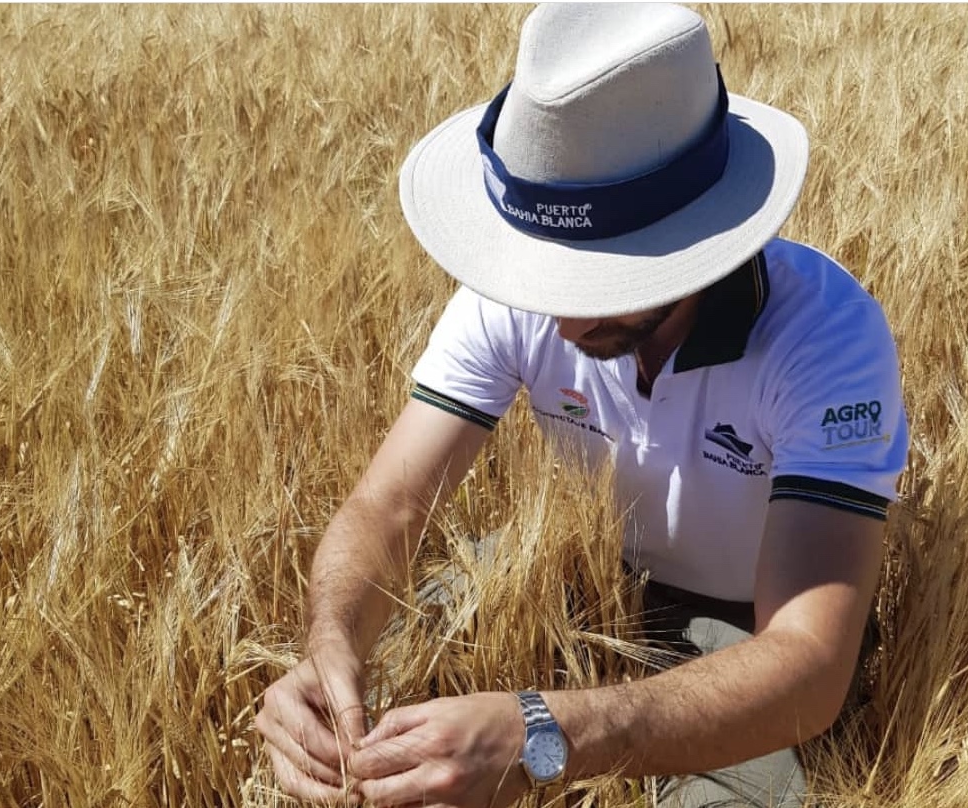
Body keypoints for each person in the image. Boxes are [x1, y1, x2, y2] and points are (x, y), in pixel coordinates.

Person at [256, 4, 909, 807]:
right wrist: (329, 651)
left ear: (698, 239)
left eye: (603, 279)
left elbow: (807, 662)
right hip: (578, 568)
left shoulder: (825, 338)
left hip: (747, 628)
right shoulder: (514, 294)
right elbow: (390, 502)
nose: (561, 320)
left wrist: (543, 732)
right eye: (546, 275)